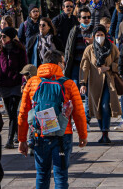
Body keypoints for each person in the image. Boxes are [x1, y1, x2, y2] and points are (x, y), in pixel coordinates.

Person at [17, 50, 88, 189]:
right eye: (63, 62)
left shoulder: (32, 82)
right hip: (62, 135)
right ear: (59, 64)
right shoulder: (68, 84)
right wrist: (83, 136)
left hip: (40, 134)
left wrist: (22, 139)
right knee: (61, 176)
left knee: (42, 175)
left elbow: (23, 113)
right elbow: (79, 112)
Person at [80, 25, 121, 144]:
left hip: (109, 81)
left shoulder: (112, 47)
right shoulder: (89, 49)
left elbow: (119, 62)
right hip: (94, 83)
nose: (99, 37)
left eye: (101, 35)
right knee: (97, 107)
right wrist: (83, 82)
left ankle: (105, 132)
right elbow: (85, 66)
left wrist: (109, 67)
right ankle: (102, 132)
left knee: (105, 106)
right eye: (97, 35)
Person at [0, 27, 27, 149]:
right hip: (4, 84)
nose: (2, 38)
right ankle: (17, 134)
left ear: (11, 37)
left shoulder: (20, 49)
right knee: (9, 111)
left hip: (16, 84)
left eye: (4, 36)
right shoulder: (0, 50)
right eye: (1, 36)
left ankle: (10, 139)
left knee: (12, 111)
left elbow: (24, 68)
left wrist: (23, 82)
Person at [63, 7, 94, 81]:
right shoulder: (74, 30)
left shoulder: (94, 30)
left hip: (90, 65)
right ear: (79, 19)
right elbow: (68, 48)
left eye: (89, 17)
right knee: (76, 87)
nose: (87, 19)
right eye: (84, 17)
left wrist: (94, 43)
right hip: (76, 64)